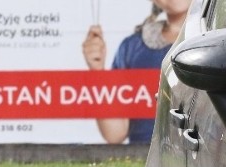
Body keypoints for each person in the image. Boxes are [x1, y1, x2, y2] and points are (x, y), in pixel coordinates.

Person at [82, 0, 192, 144]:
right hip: (144, 159)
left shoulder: (220, 38)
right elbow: (115, 134)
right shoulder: (132, 47)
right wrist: (97, 72)